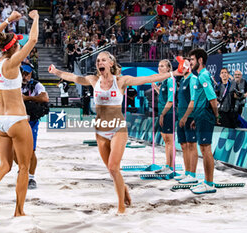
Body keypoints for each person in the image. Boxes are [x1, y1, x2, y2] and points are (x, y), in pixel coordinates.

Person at [49, 51, 184, 213]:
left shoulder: (121, 81)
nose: (100, 62)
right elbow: (73, 77)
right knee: (112, 170)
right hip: (100, 130)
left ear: (111, 64)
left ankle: (121, 207)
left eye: (104, 60)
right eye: (98, 60)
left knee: (114, 166)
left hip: (118, 128)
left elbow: (148, 79)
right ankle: (124, 188)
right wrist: (56, 72)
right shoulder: (94, 80)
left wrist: (173, 73)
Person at [0, 10, 39, 222]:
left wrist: (7, 21)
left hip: (0, 121)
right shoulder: (13, 63)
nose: (20, 46)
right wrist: (36, 18)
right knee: (23, 167)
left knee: (4, 166)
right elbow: (34, 39)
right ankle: (19, 210)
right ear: (13, 46)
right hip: (17, 119)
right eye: (17, 44)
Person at [189, 48, 219, 194]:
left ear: (200, 60)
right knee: (203, 148)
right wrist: (196, 117)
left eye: (192, 60)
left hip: (206, 116)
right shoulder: (201, 75)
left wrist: (216, 116)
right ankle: (207, 181)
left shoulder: (203, 76)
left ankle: (209, 183)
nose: (190, 62)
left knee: (206, 149)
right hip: (201, 116)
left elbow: (212, 98)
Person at [21, 63, 49, 189]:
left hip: (31, 121)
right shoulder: (14, 83)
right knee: (14, 151)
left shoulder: (36, 85)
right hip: (16, 120)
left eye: (26, 73)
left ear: (31, 74)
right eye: (22, 73)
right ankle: (23, 169)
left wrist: (25, 98)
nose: (24, 75)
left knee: (31, 151)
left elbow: (45, 98)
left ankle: (31, 178)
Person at [176, 60, 199, 184]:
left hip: (189, 117)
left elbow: (193, 100)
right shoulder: (183, 80)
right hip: (181, 117)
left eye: (182, 68)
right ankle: (187, 172)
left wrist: (185, 117)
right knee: (184, 146)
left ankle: (193, 174)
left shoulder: (193, 79)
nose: (180, 70)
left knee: (191, 145)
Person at [154, 60, 176, 174]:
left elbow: (171, 100)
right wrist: (156, 88)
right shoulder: (163, 81)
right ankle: (167, 165)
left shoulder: (170, 80)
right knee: (165, 141)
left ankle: (171, 167)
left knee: (169, 141)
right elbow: (163, 96)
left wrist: (163, 114)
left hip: (168, 113)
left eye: (162, 66)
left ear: (168, 69)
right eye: (158, 66)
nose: (159, 68)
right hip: (162, 112)